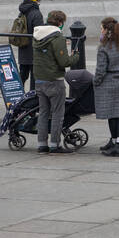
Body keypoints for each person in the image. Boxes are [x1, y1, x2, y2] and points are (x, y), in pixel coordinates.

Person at [33, 10, 79, 154]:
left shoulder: (37, 36)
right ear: (60, 22)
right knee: (58, 113)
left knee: (43, 113)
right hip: (54, 81)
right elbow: (64, 62)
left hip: (40, 80)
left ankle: (42, 144)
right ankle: (54, 145)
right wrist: (75, 56)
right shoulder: (57, 37)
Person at [95, 18, 119, 156]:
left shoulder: (104, 48)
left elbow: (100, 70)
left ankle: (115, 142)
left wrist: (96, 82)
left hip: (108, 83)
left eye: (102, 29)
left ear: (107, 30)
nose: (101, 31)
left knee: (112, 114)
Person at [18, 0, 44, 91]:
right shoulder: (36, 13)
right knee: (35, 77)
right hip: (34, 49)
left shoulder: (22, 12)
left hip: (23, 48)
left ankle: (18, 97)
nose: (39, 1)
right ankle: (33, 99)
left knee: (23, 75)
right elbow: (39, 32)